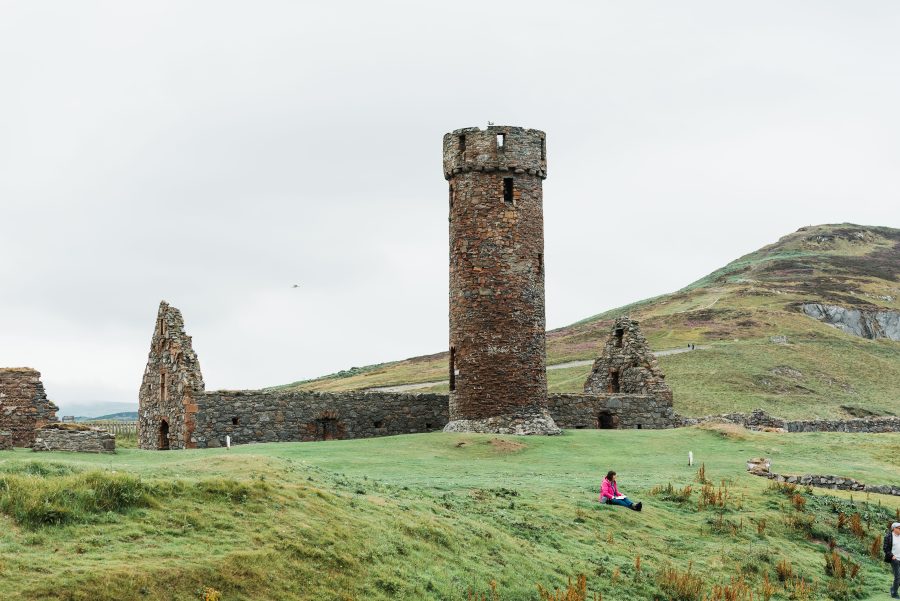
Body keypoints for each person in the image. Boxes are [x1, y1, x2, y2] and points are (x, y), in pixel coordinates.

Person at [885, 522, 900, 599]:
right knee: (897, 577)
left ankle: (893, 588)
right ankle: (894, 594)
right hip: (895, 559)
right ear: (894, 528)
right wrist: (892, 556)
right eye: (899, 528)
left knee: (899, 578)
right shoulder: (889, 536)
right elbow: (886, 548)